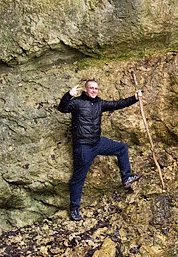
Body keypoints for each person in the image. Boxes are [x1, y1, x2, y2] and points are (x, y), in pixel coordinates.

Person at [58, 79, 143, 221]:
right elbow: (62, 108)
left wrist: (134, 98)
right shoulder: (77, 102)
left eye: (96, 88)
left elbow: (117, 104)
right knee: (79, 178)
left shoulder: (99, 103)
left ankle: (126, 178)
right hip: (83, 146)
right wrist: (69, 95)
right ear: (85, 90)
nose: (94, 91)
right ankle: (74, 209)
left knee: (121, 148)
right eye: (91, 88)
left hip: (97, 143)